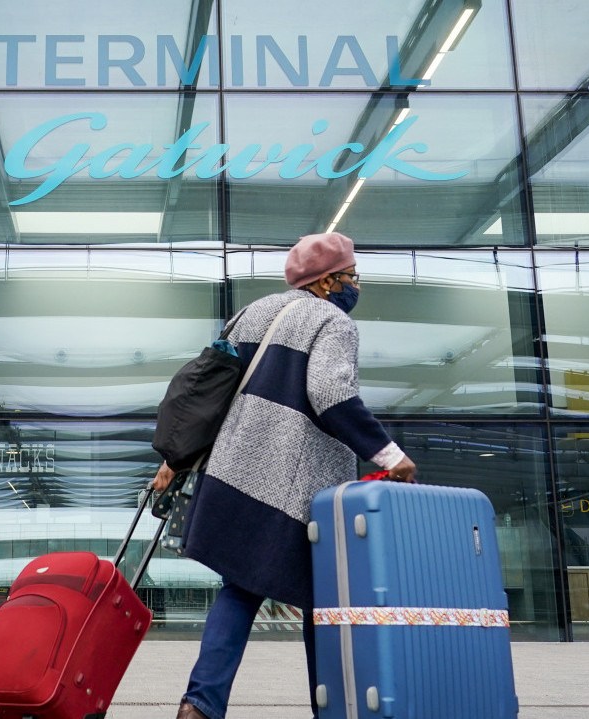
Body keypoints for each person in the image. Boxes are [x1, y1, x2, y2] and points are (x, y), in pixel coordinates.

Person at [152, 232, 418, 719]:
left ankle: (200, 705)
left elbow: (207, 393)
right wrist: (387, 454)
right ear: (328, 281)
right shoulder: (332, 321)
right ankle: (333, 706)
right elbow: (330, 394)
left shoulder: (252, 312)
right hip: (294, 490)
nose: (357, 283)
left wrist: (175, 459)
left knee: (240, 587)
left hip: (233, 474)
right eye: (353, 275)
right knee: (325, 598)